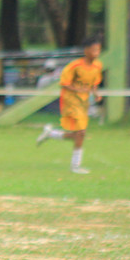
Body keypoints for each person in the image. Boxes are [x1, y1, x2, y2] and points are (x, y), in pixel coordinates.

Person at [36, 35, 103, 175]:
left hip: (83, 102)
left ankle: (51, 133)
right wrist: (78, 89)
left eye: (98, 50)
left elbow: (94, 83)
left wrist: (96, 94)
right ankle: (75, 166)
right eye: (94, 50)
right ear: (86, 50)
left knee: (78, 134)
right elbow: (64, 84)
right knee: (81, 132)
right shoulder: (74, 66)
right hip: (70, 102)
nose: (96, 53)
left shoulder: (98, 66)